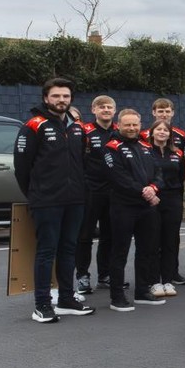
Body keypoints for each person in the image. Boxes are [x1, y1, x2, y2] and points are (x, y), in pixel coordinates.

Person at [14, 78, 95, 322]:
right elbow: (22, 168)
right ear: (46, 98)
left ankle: (66, 299)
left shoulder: (77, 126)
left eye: (66, 96)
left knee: (69, 250)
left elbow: (81, 161)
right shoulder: (33, 125)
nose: (61, 100)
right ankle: (42, 305)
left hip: (74, 199)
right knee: (46, 252)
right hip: (46, 201)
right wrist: (36, 194)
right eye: (56, 96)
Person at [103, 109, 165, 310]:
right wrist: (145, 192)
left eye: (135, 124)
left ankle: (142, 291)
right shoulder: (112, 148)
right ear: (119, 125)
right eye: (127, 125)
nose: (131, 128)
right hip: (123, 207)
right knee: (119, 252)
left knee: (146, 250)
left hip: (146, 208)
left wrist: (153, 188)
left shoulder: (146, 146)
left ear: (140, 125)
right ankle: (117, 297)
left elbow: (158, 173)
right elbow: (119, 178)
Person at [76, 95, 117, 294]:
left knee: (109, 236)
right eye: (102, 107)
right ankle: (82, 276)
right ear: (93, 110)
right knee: (85, 235)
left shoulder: (119, 132)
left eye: (109, 107)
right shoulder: (85, 131)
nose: (106, 110)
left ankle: (105, 275)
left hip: (114, 192)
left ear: (114, 111)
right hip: (91, 191)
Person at [148, 120, 184, 296]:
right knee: (153, 241)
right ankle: (154, 281)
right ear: (152, 132)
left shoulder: (177, 153)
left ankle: (168, 281)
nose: (162, 132)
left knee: (171, 241)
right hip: (153, 200)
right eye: (159, 129)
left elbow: (182, 175)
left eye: (165, 130)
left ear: (170, 134)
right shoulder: (146, 151)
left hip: (173, 199)